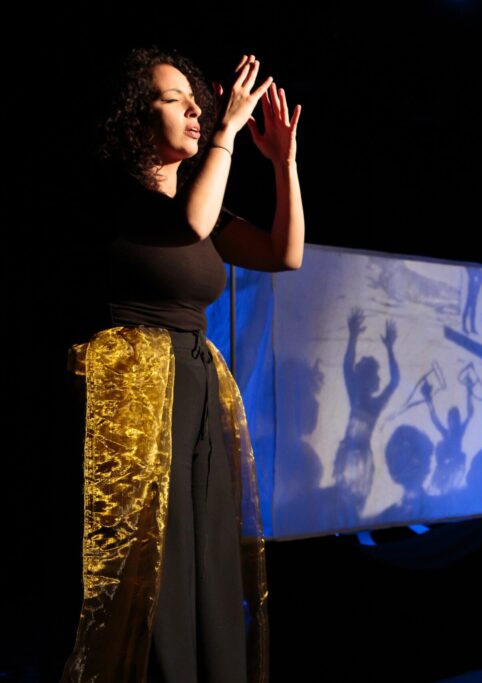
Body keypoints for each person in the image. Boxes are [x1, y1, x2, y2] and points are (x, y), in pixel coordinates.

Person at [62, 48, 305, 682]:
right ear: (137, 120)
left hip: (194, 384)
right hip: (135, 395)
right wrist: (226, 133)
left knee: (207, 558)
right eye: (178, 99)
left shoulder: (200, 205)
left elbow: (286, 253)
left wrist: (284, 163)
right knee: (154, 566)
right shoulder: (117, 196)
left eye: (201, 101)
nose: (199, 110)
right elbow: (191, 224)